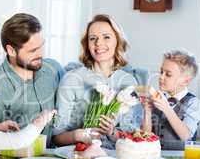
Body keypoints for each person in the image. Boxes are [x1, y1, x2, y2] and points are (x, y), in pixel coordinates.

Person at [52, 14, 148, 149]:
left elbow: (133, 135)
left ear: (118, 41)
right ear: (87, 44)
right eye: (93, 38)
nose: (98, 43)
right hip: (79, 156)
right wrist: (80, 135)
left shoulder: (129, 81)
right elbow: (56, 137)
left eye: (106, 37)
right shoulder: (72, 79)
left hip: (116, 158)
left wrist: (112, 132)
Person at [0, 13, 64, 147]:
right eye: (33, 50)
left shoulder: (53, 69)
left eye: (42, 46)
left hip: (56, 158)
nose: (40, 54)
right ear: (11, 50)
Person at [141, 50, 200, 150]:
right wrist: (147, 112)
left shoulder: (193, 103)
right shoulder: (159, 98)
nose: (161, 77)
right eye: (161, 72)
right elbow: (146, 135)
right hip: (155, 156)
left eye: (168, 74)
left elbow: (186, 136)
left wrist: (166, 108)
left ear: (185, 81)